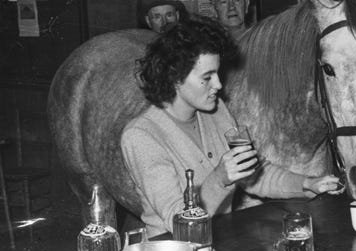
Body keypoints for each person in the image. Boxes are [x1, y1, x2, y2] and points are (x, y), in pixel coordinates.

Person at [121, 18, 340, 238]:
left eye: (217, 73)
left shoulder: (216, 111)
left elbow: (255, 175)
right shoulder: (141, 136)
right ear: (175, 78)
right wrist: (219, 179)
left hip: (221, 245)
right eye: (207, 77)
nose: (218, 85)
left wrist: (306, 184)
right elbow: (178, 222)